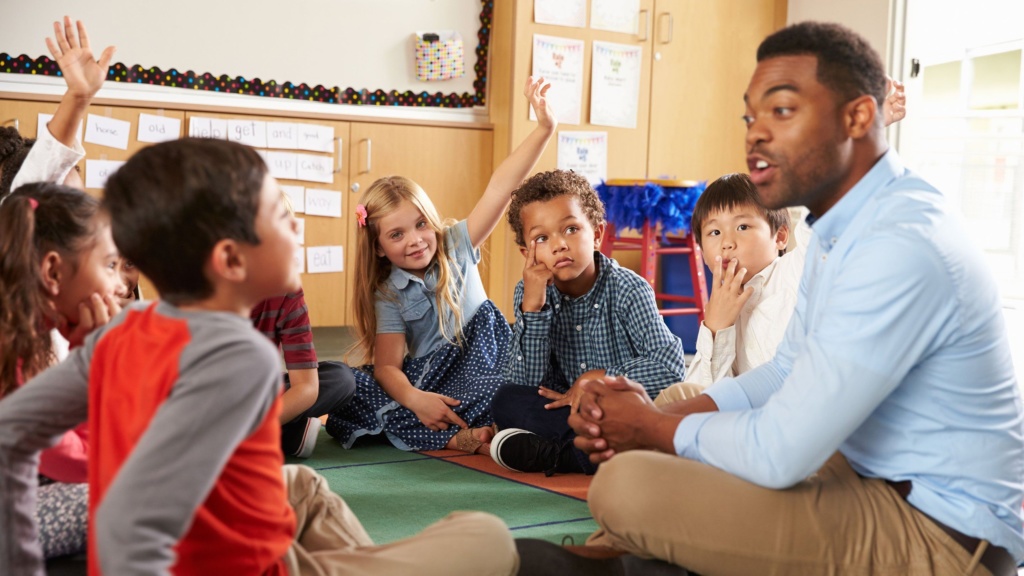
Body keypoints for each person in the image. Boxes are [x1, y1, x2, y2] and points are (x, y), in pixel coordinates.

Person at [557, 22, 1022, 576]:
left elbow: (780, 452)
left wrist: (649, 427)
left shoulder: (900, 241)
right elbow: (783, 372)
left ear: (858, 116)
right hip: (857, 474)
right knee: (651, 464)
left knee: (625, 485)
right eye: (750, 117)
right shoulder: (835, 229)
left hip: (940, 534)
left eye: (781, 112)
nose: (756, 135)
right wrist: (659, 414)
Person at [0, 138, 517, 575]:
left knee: (308, 486)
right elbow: (146, 511)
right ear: (230, 258)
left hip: (237, 537)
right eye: (278, 218)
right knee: (488, 535)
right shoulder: (239, 355)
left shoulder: (122, 332)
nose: (297, 230)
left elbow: (11, 434)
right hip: (262, 563)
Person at [326, 76, 556, 455]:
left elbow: (501, 187)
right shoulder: (387, 293)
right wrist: (417, 399)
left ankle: (473, 433)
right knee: (352, 392)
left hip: (485, 370)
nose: (415, 240)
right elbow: (387, 368)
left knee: (509, 390)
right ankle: (464, 438)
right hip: (431, 382)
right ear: (379, 248)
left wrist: (545, 128)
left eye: (420, 225)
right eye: (396, 235)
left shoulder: (456, 245)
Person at [488, 169, 686, 476]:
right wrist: (534, 309)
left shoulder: (628, 289)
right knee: (505, 400)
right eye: (542, 238)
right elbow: (525, 383)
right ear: (528, 254)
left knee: (645, 413)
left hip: (621, 410)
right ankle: (590, 454)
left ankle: (565, 455)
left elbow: (671, 368)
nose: (559, 245)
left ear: (596, 234)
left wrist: (601, 378)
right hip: (571, 414)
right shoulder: (529, 295)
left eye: (570, 230)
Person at [0, 183, 125, 559]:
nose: (120, 285)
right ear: (52, 270)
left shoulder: (22, 336)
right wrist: (97, 363)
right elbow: (88, 462)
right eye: (110, 265)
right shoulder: (11, 358)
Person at [0, 17, 114, 198]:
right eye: (64, 207)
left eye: (80, 200)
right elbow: (37, 179)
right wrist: (77, 99)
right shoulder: (13, 220)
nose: (80, 215)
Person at [251, 287, 356, 458]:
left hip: (259, 398)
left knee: (340, 379)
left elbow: (306, 385)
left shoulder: (286, 294)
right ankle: (286, 435)